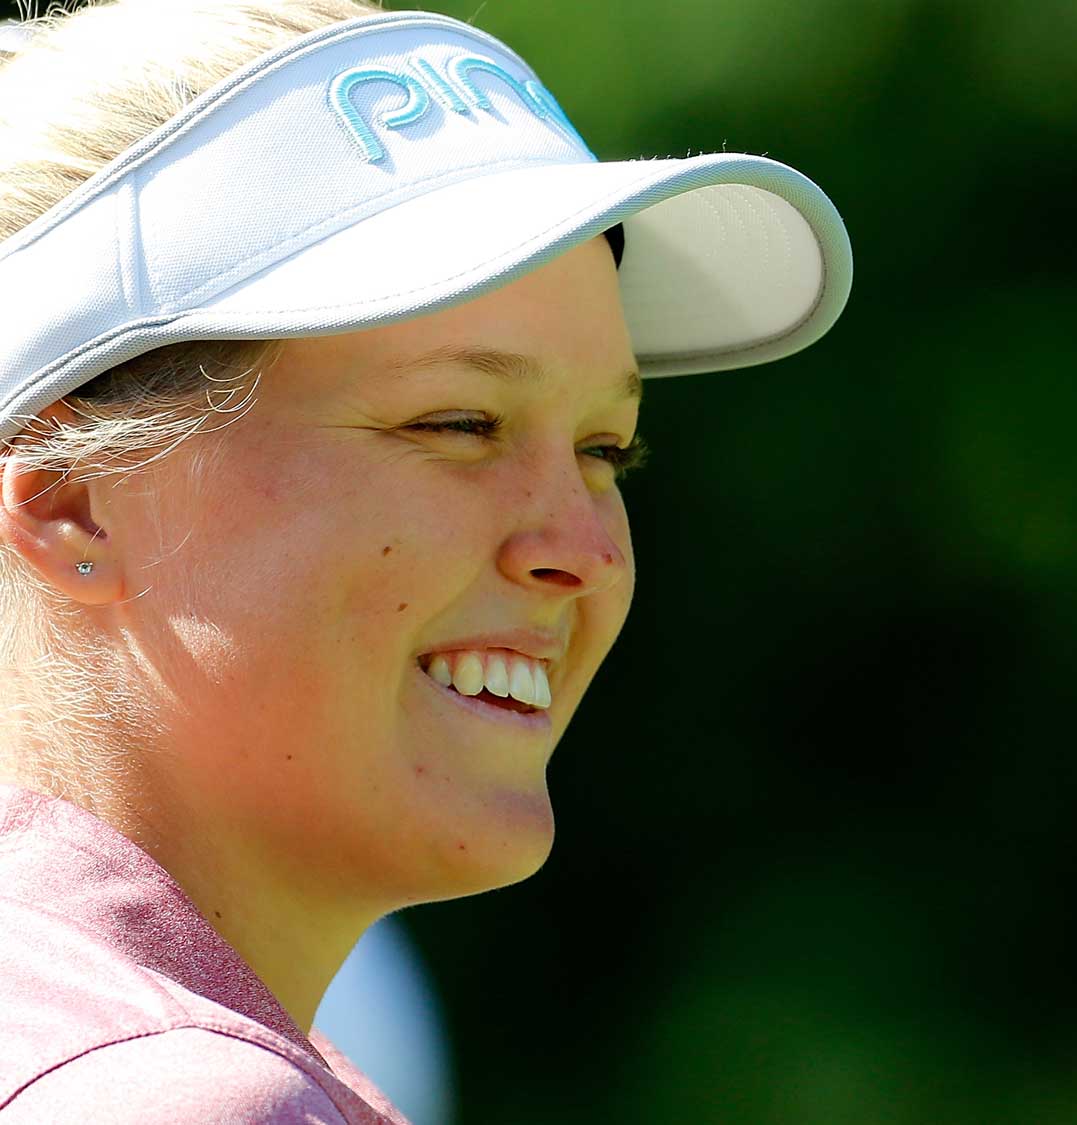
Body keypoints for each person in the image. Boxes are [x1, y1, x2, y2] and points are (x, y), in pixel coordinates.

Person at [0, 1, 852, 1120]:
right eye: (457, 423)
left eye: (605, 450)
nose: (584, 550)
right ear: (74, 500)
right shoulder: (180, 1096)